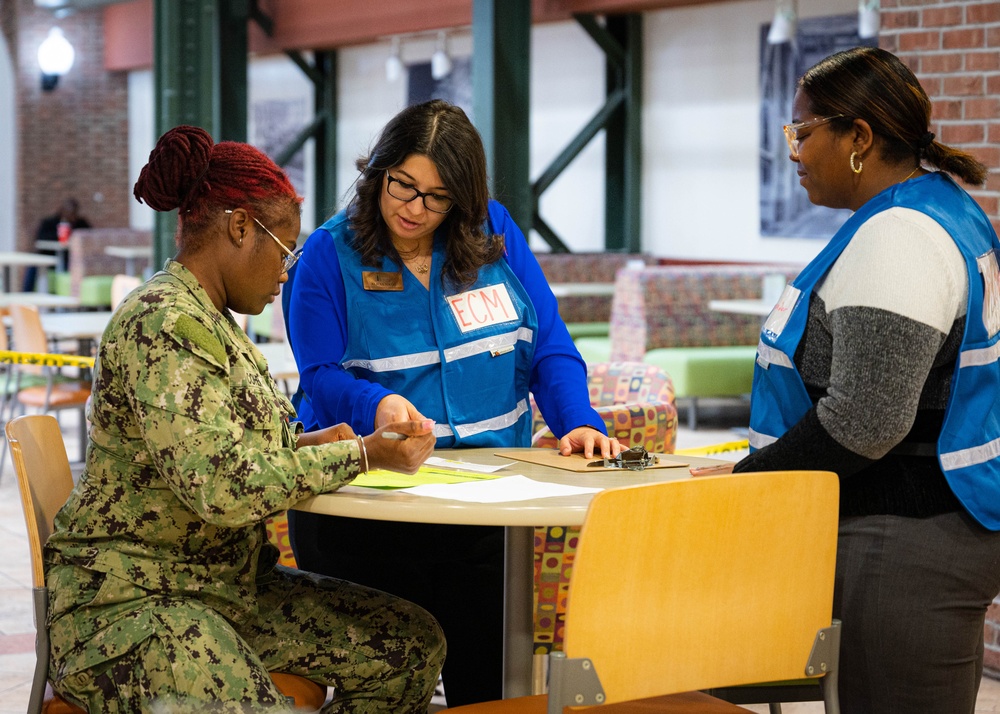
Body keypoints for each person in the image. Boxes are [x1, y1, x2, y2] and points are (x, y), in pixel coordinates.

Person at [43, 125, 446, 713]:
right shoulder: (162, 323)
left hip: (220, 589)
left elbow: (239, 445)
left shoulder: (214, 321)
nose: (287, 272)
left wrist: (310, 442)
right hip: (128, 606)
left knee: (409, 647)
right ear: (238, 228)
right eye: (286, 252)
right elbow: (223, 488)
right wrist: (361, 453)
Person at [691, 47, 1000, 714]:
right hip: (926, 526)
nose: (793, 152)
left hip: (906, 538)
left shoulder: (901, 238)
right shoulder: (937, 209)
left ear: (858, 136)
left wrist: (753, 478)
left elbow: (867, 419)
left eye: (803, 132)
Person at [287, 99, 619, 705]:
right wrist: (377, 402)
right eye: (402, 186)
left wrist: (578, 421)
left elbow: (546, 342)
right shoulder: (327, 255)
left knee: (487, 685)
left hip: (483, 512)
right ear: (377, 171)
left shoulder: (493, 233)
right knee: (389, 686)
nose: (414, 209)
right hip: (370, 513)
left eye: (437, 197)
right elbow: (320, 375)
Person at [22, 197, 91, 291]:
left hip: (69, 258)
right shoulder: (49, 222)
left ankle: (65, 298)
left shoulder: (81, 224)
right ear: (62, 210)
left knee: (72, 269)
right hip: (49, 256)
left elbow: (89, 236)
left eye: (73, 213)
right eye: (68, 212)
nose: (70, 215)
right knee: (33, 267)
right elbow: (40, 239)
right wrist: (59, 236)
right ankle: (25, 295)